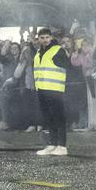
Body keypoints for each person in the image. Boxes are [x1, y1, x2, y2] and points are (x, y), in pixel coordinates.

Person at [33, 28, 70, 156]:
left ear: (51, 37)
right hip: (42, 89)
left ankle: (62, 146)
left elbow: (67, 66)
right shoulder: (38, 52)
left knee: (59, 118)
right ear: (38, 39)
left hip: (54, 90)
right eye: (42, 38)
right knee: (48, 119)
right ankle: (52, 144)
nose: (45, 40)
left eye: (47, 37)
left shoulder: (58, 50)